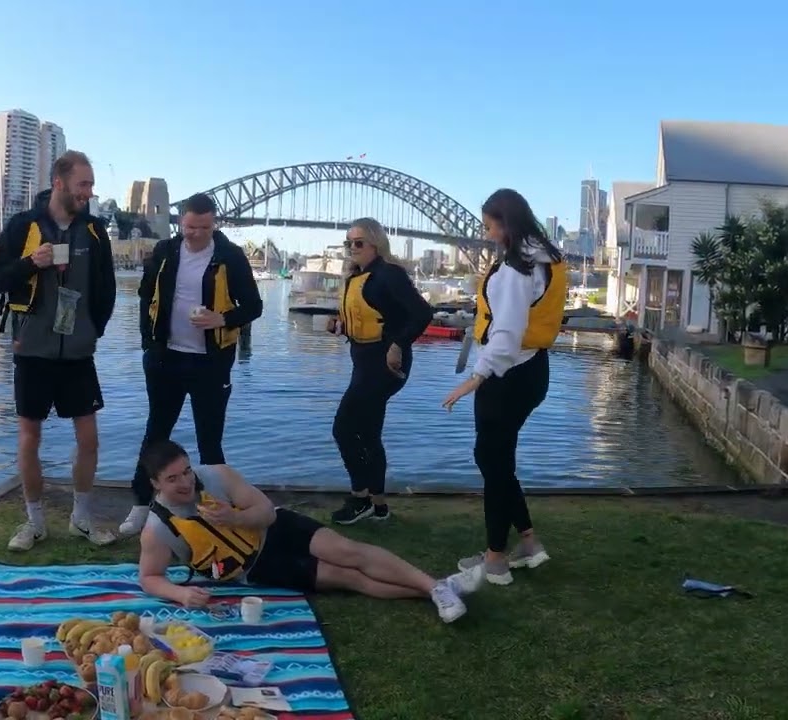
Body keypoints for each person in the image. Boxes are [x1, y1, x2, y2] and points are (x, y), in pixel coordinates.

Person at [135, 440, 478, 623]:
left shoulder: (217, 475)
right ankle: (439, 591)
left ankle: (434, 585)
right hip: (255, 567)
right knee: (348, 577)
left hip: (278, 528)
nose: (185, 482)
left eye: (185, 471)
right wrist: (181, 595)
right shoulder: (157, 529)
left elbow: (267, 513)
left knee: (349, 552)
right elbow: (149, 577)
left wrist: (233, 518)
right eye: (172, 478)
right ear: (155, 484)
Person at [0, 150, 118, 551]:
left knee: (89, 439)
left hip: (78, 352)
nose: (89, 193)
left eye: (91, 185)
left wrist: (94, 330)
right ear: (59, 182)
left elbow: (106, 289)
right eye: (84, 184)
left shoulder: (94, 230)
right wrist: (30, 263)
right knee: (29, 438)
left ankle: (81, 518)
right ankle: (35, 522)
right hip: (32, 350)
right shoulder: (23, 225)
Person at [118, 193, 263, 536]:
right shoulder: (165, 252)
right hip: (165, 359)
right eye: (189, 227)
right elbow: (144, 295)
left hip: (210, 364)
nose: (195, 234)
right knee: (156, 434)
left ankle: (214, 511)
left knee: (209, 440)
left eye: (204, 227)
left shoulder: (230, 256)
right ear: (180, 222)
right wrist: (148, 345)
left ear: (214, 224)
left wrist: (222, 318)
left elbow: (253, 306)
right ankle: (141, 504)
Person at [441, 188, 566, 586]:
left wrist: (475, 378)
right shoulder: (545, 258)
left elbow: (507, 334)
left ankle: (495, 560)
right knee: (496, 459)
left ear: (506, 223)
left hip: (508, 375)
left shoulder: (515, 270)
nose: (488, 234)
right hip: (534, 370)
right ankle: (529, 543)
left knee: (493, 464)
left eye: (490, 226)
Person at [326, 218, 433, 525]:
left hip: (385, 365)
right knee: (369, 433)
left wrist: (399, 344)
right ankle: (379, 505)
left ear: (376, 243)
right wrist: (341, 325)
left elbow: (422, 313)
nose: (352, 249)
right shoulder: (357, 277)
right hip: (363, 362)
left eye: (358, 243)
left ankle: (360, 498)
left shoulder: (389, 274)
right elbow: (374, 317)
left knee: (344, 428)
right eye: (348, 243)